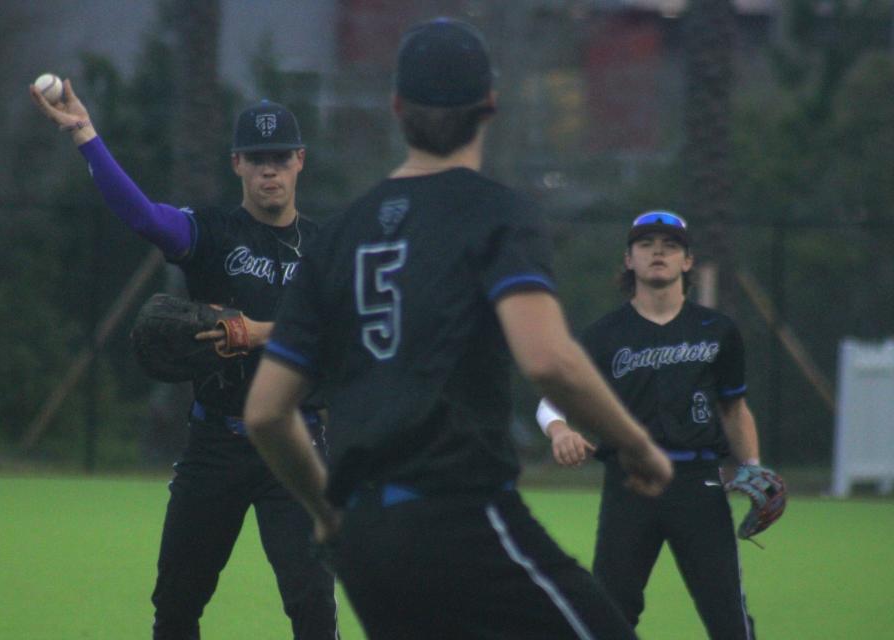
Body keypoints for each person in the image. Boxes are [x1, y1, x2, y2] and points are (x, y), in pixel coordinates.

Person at [241, 18, 673, 640]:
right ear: (490, 107)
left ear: (395, 108)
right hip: (461, 516)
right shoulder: (496, 212)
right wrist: (636, 446)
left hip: (365, 540)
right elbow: (548, 360)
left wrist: (326, 509)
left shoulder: (335, 237)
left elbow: (264, 413)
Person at [29, 83, 338, 639]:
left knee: (314, 609)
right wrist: (85, 135)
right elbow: (145, 218)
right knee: (176, 605)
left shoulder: (326, 249)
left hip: (297, 445)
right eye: (258, 159)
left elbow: (337, 337)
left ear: (300, 162)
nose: (270, 171)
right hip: (215, 444)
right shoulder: (211, 232)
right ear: (237, 164)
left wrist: (255, 331)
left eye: (281, 158)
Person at [536, 210, 761, 639]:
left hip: (698, 483)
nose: (658, 251)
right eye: (646, 244)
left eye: (670, 245)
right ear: (628, 259)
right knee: (609, 616)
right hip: (630, 482)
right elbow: (551, 401)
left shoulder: (717, 330)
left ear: (688, 261)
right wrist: (560, 430)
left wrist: (752, 465)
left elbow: (734, 408)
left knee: (728, 616)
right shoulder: (604, 335)